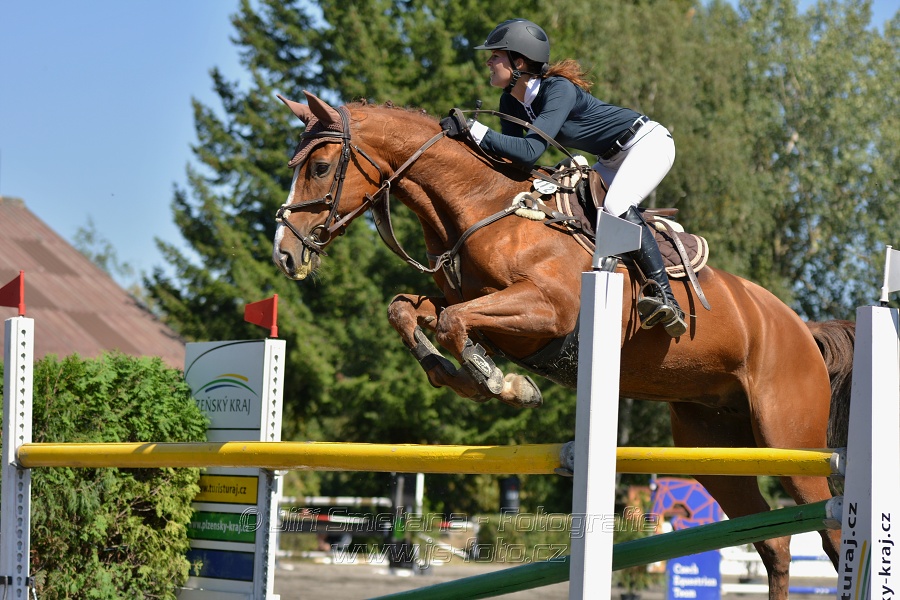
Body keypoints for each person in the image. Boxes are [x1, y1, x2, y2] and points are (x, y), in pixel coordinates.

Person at [440, 19, 686, 337]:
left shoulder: (558, 89)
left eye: (495, 55)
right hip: (610, 160)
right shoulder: (510, 101)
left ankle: (665, 297)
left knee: (615, 205)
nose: (489, 62)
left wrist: (474, 129)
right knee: (579, 212)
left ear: (519, 62)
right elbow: (513, 162)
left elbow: (530, 150)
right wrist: (463, 142)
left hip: (646, 143)